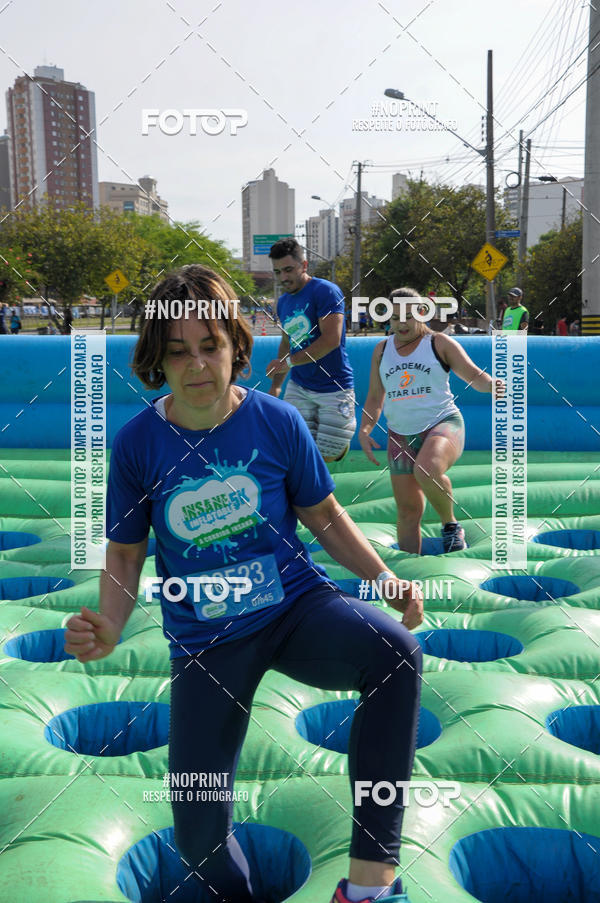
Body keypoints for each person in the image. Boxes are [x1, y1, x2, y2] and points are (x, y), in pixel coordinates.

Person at [64, 264, 423, 903]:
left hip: (293, 607)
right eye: (178, 353)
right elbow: (125, 553)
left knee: (395, 653)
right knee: (198, 829)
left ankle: (368, 887)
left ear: (236, 347)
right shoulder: (139, 444)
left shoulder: (277, 423)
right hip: (206, 640)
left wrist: (384, 578)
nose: (197, 365)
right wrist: (110, 625)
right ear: (157, 362)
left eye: (211, 347)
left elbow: (327, 517)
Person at [359, 287, 503, 555]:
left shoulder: (439, 344)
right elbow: (375, 396)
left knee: (426, 470)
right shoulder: (381, 350)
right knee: (408, 510)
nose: (402, 323)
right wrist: (365, 428)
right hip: (400, 435)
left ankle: (450, 525)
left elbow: (473, 375)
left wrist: (492, 385)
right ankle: (411, 567)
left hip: (443, 424)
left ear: (422, 313)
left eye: (409, 315)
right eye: (395, 317)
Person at [266, 238, 356, 462]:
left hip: (333, 386)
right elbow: (287, 343)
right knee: (297, 450)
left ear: (304, 266)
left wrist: (287, 363)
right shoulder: (284, 302)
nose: (283, 278)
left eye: (288, 270)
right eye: (278, 272)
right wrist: (276, 386)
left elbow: (331, 340)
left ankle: (336, 448)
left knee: (328, 454)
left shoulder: (326, 291)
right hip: (299, 386)